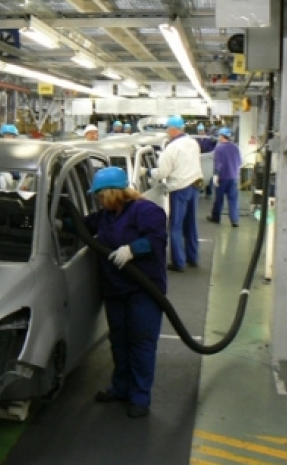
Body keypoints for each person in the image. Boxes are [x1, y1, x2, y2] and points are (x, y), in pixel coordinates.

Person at [81, 166, 167, 419]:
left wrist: (132, 249)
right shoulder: (106, 216)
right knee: (119, 341)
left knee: (141, 342)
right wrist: (61, 222)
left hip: (144, 290)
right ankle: (120, 388)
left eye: (100, 195)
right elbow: (83, 225)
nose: (98, 200)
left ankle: (140, 396)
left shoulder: (146, 211)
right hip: (115, 288)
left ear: (111, 193)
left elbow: (157, 238)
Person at [144, 115, 203, 272]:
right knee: (191, 224)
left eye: (167, 129)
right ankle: (193, 257)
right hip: (195, 185)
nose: (167, 132)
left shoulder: (171, 148)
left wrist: (148, 172)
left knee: (176, 226)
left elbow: (163, 173)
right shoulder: (193, 143)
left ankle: (179, 262)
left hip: (180, 188)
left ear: (172, 129)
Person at [207, 128, 243, 227]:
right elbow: (240, 162)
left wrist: (216, 175)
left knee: (219, 199)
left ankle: (216, 217)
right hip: (234, 177)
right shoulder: (235, 147)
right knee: (233, 200)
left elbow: (218, 163)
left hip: (222, 177)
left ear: (222, 136)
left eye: (219, 135)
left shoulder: (219, 148)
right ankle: (234, 220)